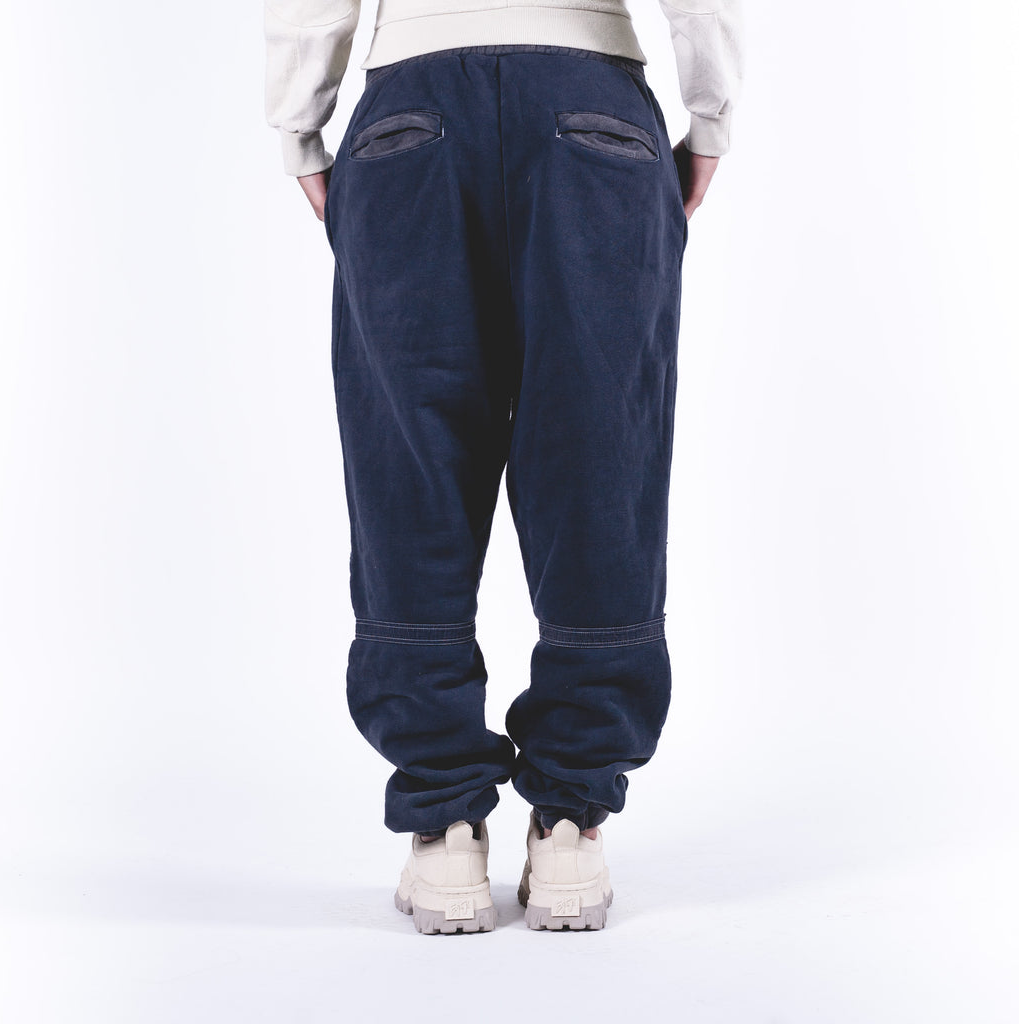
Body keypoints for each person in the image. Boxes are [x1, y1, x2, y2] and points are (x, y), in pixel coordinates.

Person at [264, 0, 744, 933]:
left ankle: (445, 825)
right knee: (600, 449)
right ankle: (570, 822)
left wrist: (298, 126)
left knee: (411, 458)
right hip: (593, 103)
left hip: (409, 115)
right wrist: (710, 112)